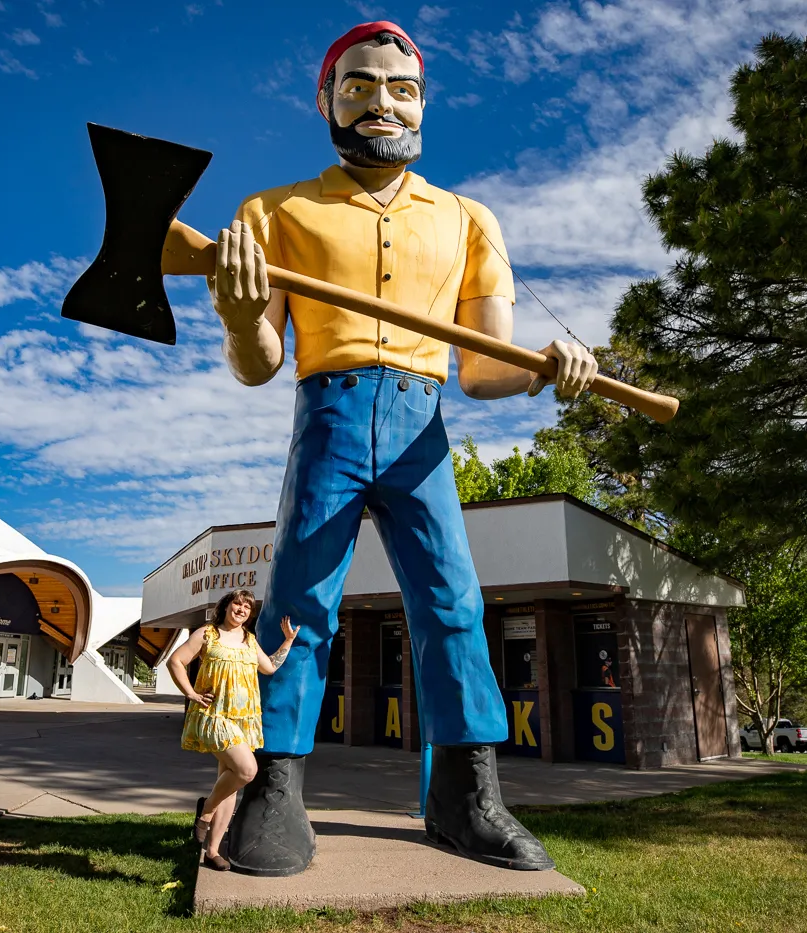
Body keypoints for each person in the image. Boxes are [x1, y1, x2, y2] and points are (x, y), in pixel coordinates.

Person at [208, 20, 598, 877]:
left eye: (401, 87)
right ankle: (276, 789)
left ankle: (466, 796)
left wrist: (544, 368)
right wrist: (242, 314)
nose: (381, 101)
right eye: (359, 84)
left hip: (423, 429)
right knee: (297, 605)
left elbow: (483, 368)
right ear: (325, 99)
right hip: (330, 418)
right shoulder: (272, 212)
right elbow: (258, 364)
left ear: (422, 101)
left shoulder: (467, 219)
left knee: (453, 602)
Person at [165, 588, 297, 871]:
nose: (241, 610)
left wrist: (287, 641)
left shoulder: (249, 640)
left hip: (244, 719)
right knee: (247, 771)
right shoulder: (207, 634)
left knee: (229, 780)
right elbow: (175, 661)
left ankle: (212, 851)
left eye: (247, 607)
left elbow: (269, 668)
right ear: (226, 606)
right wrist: (190, 693)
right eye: (237, 604)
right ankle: (207, 810)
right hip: (215, 717)